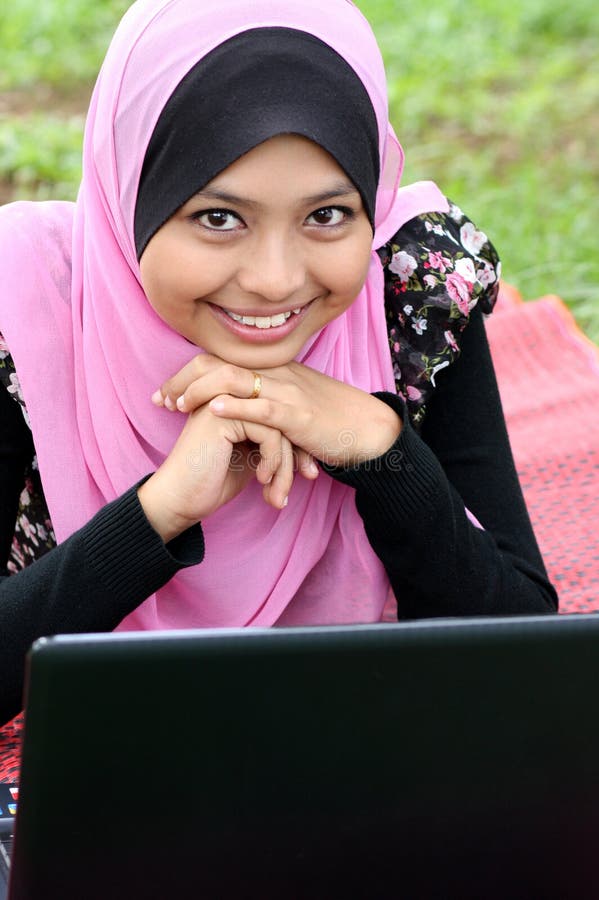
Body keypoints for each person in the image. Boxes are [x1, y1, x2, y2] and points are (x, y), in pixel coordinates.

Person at [0, 0, 557, 732]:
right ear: (128, 196)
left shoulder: (410, 296)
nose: (273, 280)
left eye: (326, 215)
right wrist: (158, 511)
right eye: (217, 217)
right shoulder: (27, 313)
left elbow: (527, 666)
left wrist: (383, 453)